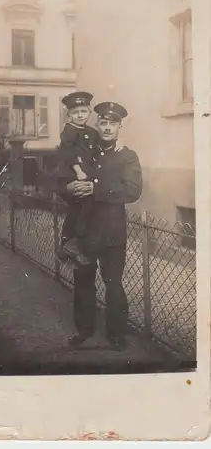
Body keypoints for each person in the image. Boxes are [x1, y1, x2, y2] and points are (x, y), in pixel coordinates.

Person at [59, 101, 143, 351]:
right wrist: (68, 188)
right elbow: (61, 178)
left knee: (113, 283)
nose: (107, 128)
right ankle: (84, 331)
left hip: (111, 232)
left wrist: (97, 189)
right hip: (83, 230)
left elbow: (133, 190)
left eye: (112, 124)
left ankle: (117, 334)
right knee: (83, 281)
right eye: (103, 123)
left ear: (120, 126)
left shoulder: (127, 155)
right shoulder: (85, 150)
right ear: (97, 124)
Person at [55, 91, 101, 265]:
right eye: (75, 112)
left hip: (87, 173)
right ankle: (72, 245)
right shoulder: (69, 131)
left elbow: (99, 146)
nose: (80, 115)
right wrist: (78, 171)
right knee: (83, 206)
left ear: (89, 112)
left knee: (80, 210)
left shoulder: (91, 131)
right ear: (69, 115)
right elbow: (68, 152)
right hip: (74, 174)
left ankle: (67, 247)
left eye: (83, 111)